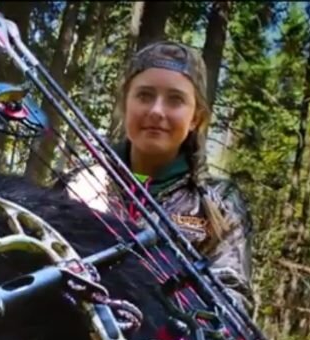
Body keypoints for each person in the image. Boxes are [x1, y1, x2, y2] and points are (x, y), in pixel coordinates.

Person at [61, 41, 255, 311]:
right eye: (144, 96)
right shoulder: (76, 185)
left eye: (175, 100)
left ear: (196, 118)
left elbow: (234, 300)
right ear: (125, 105)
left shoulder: (219, 203)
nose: (156, 111)